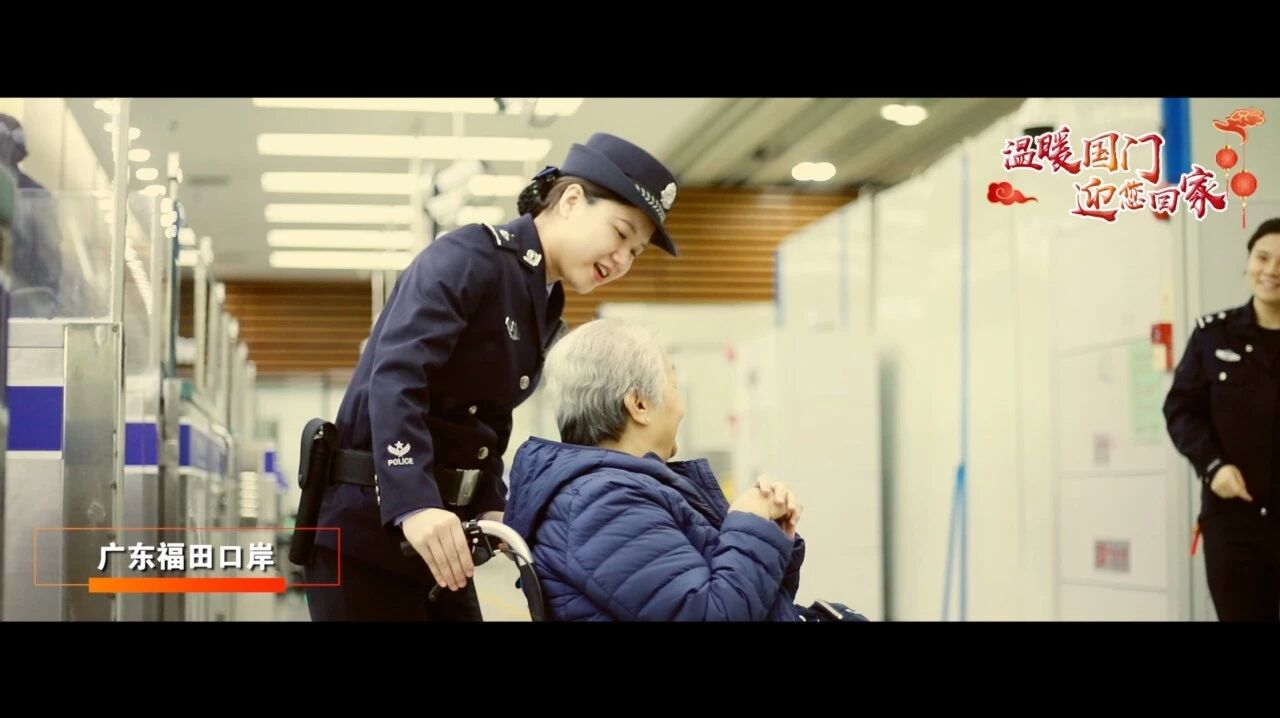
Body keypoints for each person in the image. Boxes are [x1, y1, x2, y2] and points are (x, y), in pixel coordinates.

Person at [299, 133, 682, 620]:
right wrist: (414, 504)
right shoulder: (470, 257)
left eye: (636, 252)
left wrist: (490, 505)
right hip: (368, 535)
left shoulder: (543, 301)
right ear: (570, 201)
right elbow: (396, 377)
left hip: (443, 540)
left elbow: (487, 421)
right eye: (621, 234)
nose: (623, 259)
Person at [505, 318, 863, 621]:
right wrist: (749, 524)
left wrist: (771, 533)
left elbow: (751, 601)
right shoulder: (602, 504)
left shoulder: (613, 493)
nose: (680, 405)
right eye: (673, 386)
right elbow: (711, 613)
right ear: (639, 404)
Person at [1164, 217, 1280, 622]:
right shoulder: (1213, 335)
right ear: (1247, 263)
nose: (1271, 271)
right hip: (1233, 521)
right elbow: (1181, 410)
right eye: (1262, 258)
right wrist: (1213, 466)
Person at [0, 113, 62, 318]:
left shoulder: (34, 195)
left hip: (22, 305)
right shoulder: (34, 194)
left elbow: (49, 260)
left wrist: (45, 298)